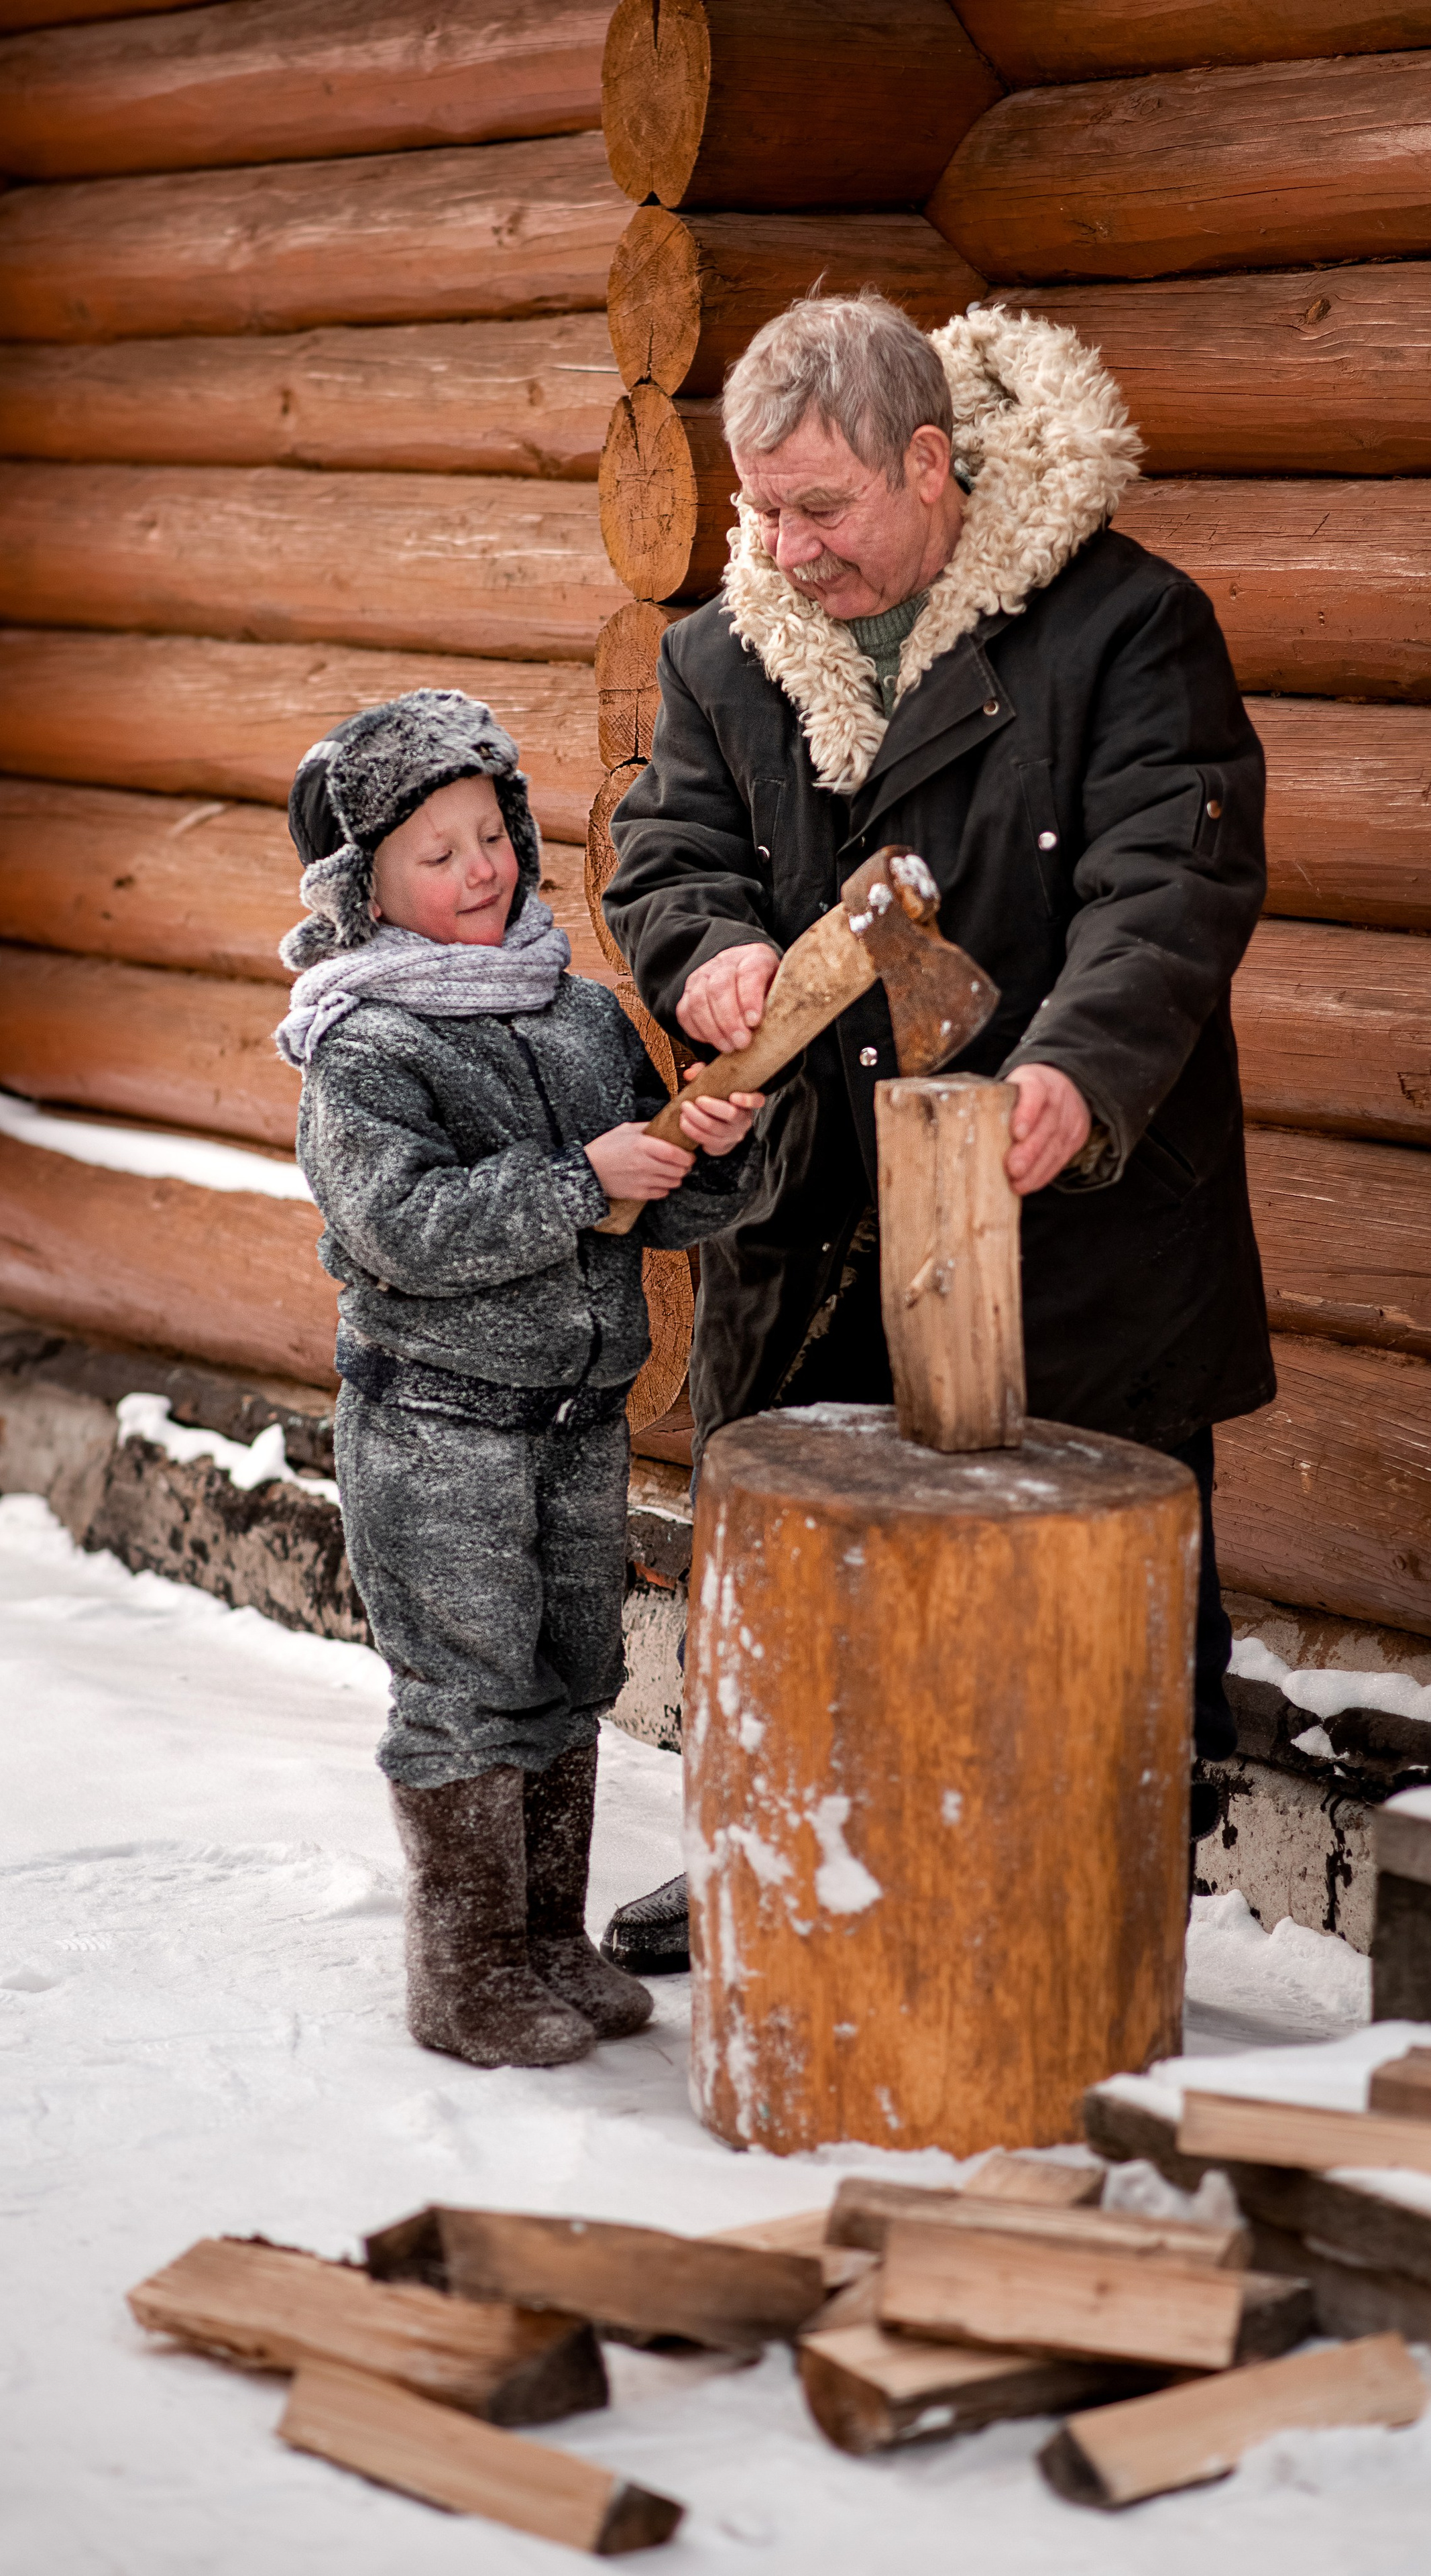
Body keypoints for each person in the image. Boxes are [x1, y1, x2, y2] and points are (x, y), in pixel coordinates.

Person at [598, 296, 1275, 1972]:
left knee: (1076, 1582)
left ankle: (1086, 1901)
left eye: (818, 507)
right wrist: (711, 954)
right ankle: (768, 1849)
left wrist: (1075, 1073)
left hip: (1073, 1215)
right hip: (813, 1209)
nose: (783, 544)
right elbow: (664, 854)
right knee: (797, 1563)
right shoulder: (716, 653)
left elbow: (1165, 880)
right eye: (760, 507)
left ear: (928, 462)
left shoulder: (1126, 627)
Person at [276, 689, 764, 2067]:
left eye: (491, 835)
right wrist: (575, 1180)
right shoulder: (364, 1046)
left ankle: (548, 1942)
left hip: (574, 1423)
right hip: (435, 1426)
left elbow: (648, 1202)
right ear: (362, 888)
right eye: (436, 854)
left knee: (567, 1668)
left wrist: (703, 1144)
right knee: (466, 1688)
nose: (480, 869)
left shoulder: (577, 1012)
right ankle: (465, 1971)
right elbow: (403, 1230)